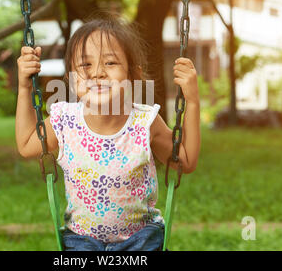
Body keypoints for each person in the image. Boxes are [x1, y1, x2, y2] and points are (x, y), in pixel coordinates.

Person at [15, 14, 201, 251]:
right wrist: (23, 87)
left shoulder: (144, 122)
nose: (97, 73)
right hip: (82, 240)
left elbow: (184, 161)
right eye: (85, 65)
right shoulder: (65, 121)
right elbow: (26, 144)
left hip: (140, 240)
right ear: (72, 81)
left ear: (132, 76)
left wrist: (192, 102)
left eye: (110, 63)